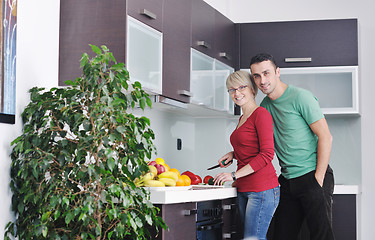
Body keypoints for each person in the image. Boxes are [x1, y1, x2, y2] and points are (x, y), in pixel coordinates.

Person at [249, 53, 335, 240]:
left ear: (277, 72)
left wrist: (318, 179)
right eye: (257, 76)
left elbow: (326, 137)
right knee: (281, 235)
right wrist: (233, 153)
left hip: (312, 175)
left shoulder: (300, 97)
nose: (262, 80)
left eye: (266, 73)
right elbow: (260, 145)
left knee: (321, 236)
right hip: (287, 181)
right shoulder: (264, 107)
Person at [213, 70, 280, 240]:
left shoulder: (261, 114)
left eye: (241, 87)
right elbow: (251, 148)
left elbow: (266, 154)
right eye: (232, 90)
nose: (237, 93)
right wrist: (233, 154)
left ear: (252, 89)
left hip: (262, 189)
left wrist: (233, 174)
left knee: (253, 238)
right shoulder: (243, 117)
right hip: (244, 188)